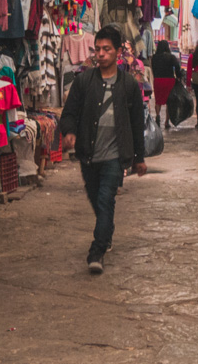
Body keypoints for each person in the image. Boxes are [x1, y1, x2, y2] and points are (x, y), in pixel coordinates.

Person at [60, 25, 148, 274]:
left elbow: (135, 123)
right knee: (97, 201)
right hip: (88, 155)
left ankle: (96, 251)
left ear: (118, 52)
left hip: (114, 156)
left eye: (106, 49)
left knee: (105, 199)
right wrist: (69, 132)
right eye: (97, 49)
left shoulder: (129, 85)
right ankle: (106, 232)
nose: (100, 54)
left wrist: (138, 158)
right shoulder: (84, 81)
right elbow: (69, 113)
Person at [150, 40, 182, 129]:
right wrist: (178, 76)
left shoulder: (154, 57)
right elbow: (177, 67)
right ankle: (167, 121)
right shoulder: (171, 57)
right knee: (169, 101)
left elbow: (153, 68)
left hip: (158, 80)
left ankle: (157, 115)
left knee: (158, 100)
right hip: (169, 80)